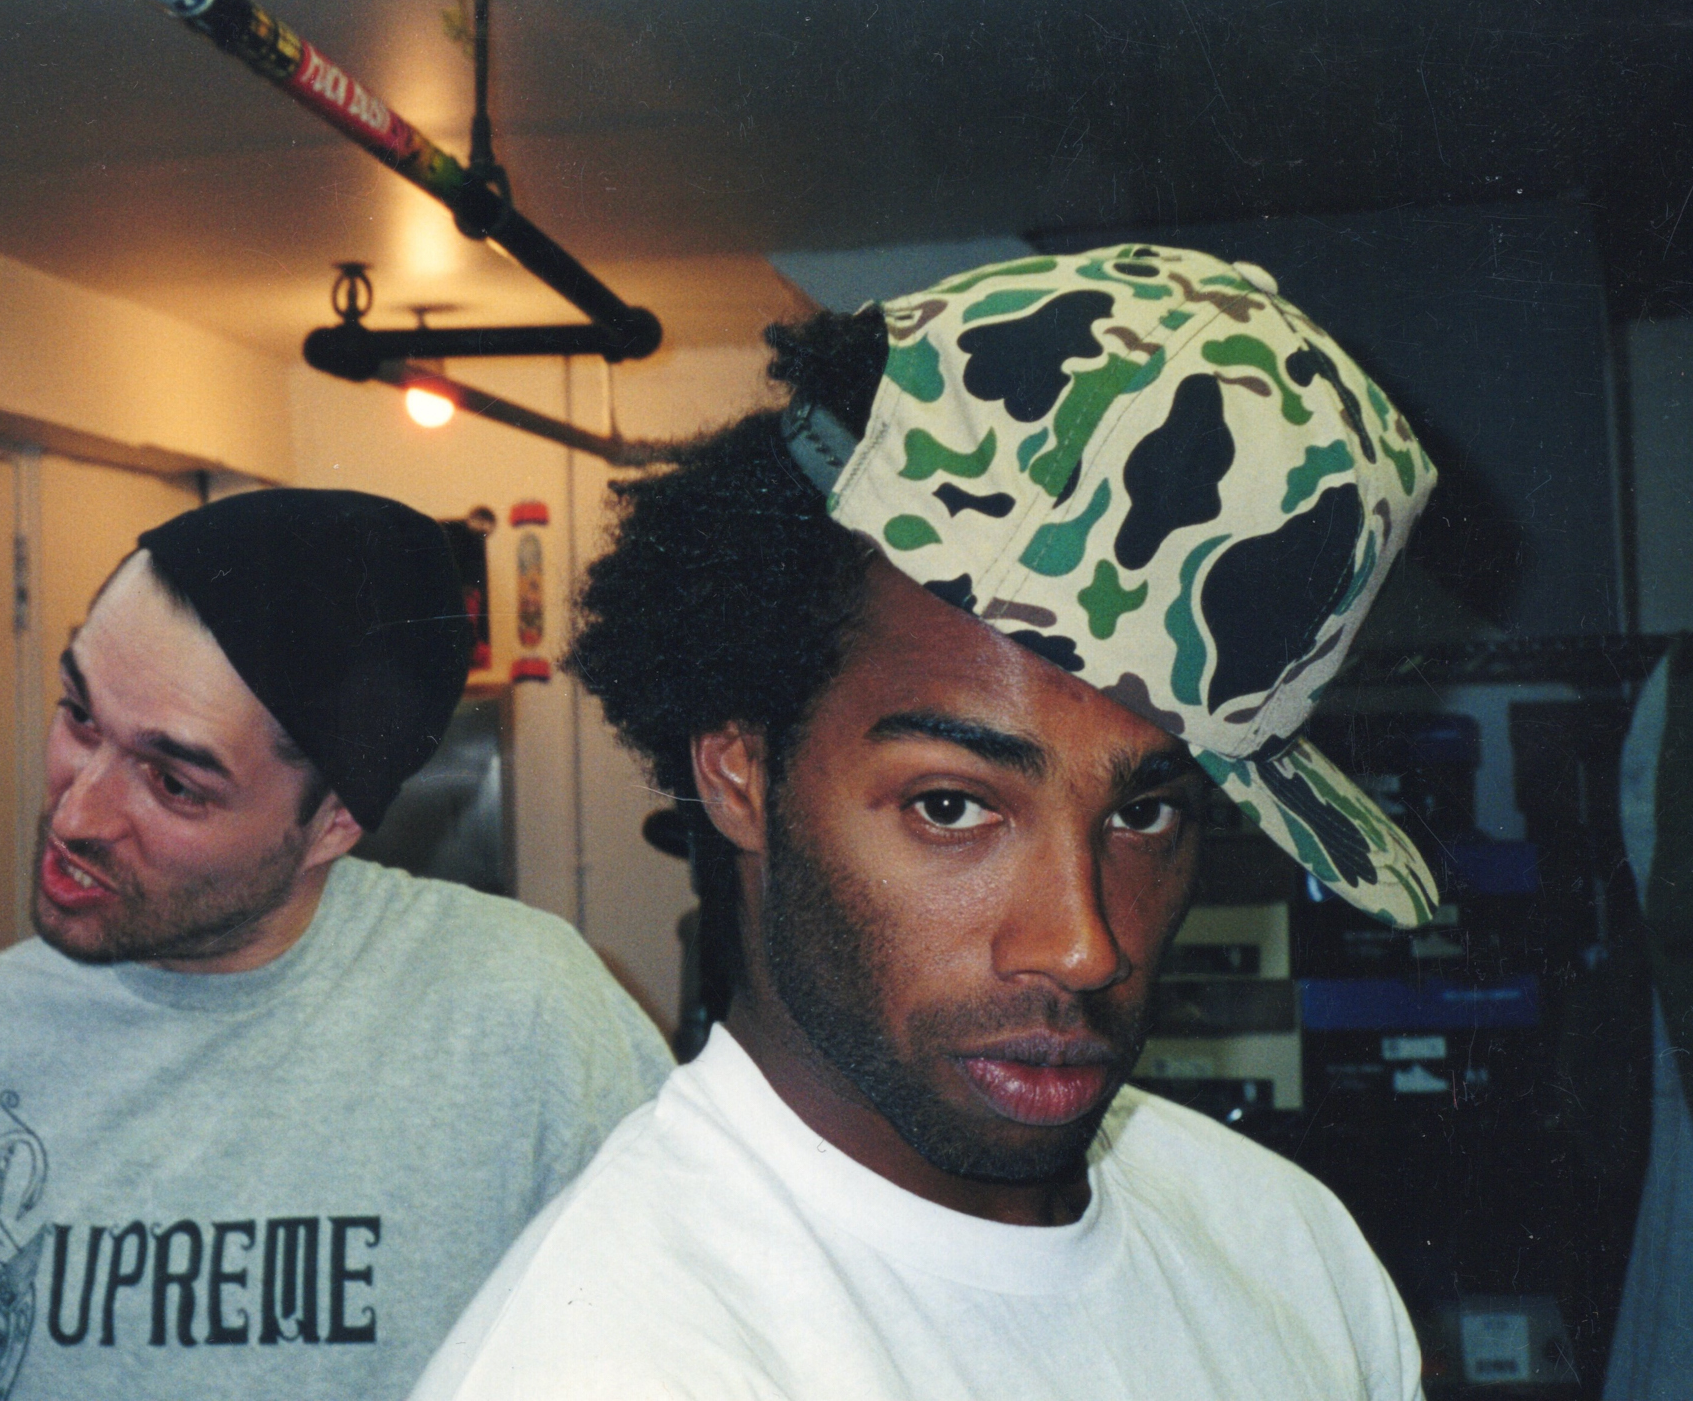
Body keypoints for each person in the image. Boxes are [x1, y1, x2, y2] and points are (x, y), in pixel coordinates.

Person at [411, 247, 1441, 1400]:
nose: (1080, 944)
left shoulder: (1287, 1252)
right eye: (951, 806)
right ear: (741, 771)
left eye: (1143, 810)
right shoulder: (622, 1360)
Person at [0, 490, 673, 1401]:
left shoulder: (526, 1025)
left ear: (333, 824)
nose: (75, 811)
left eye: (172, 782)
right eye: (80, 714)